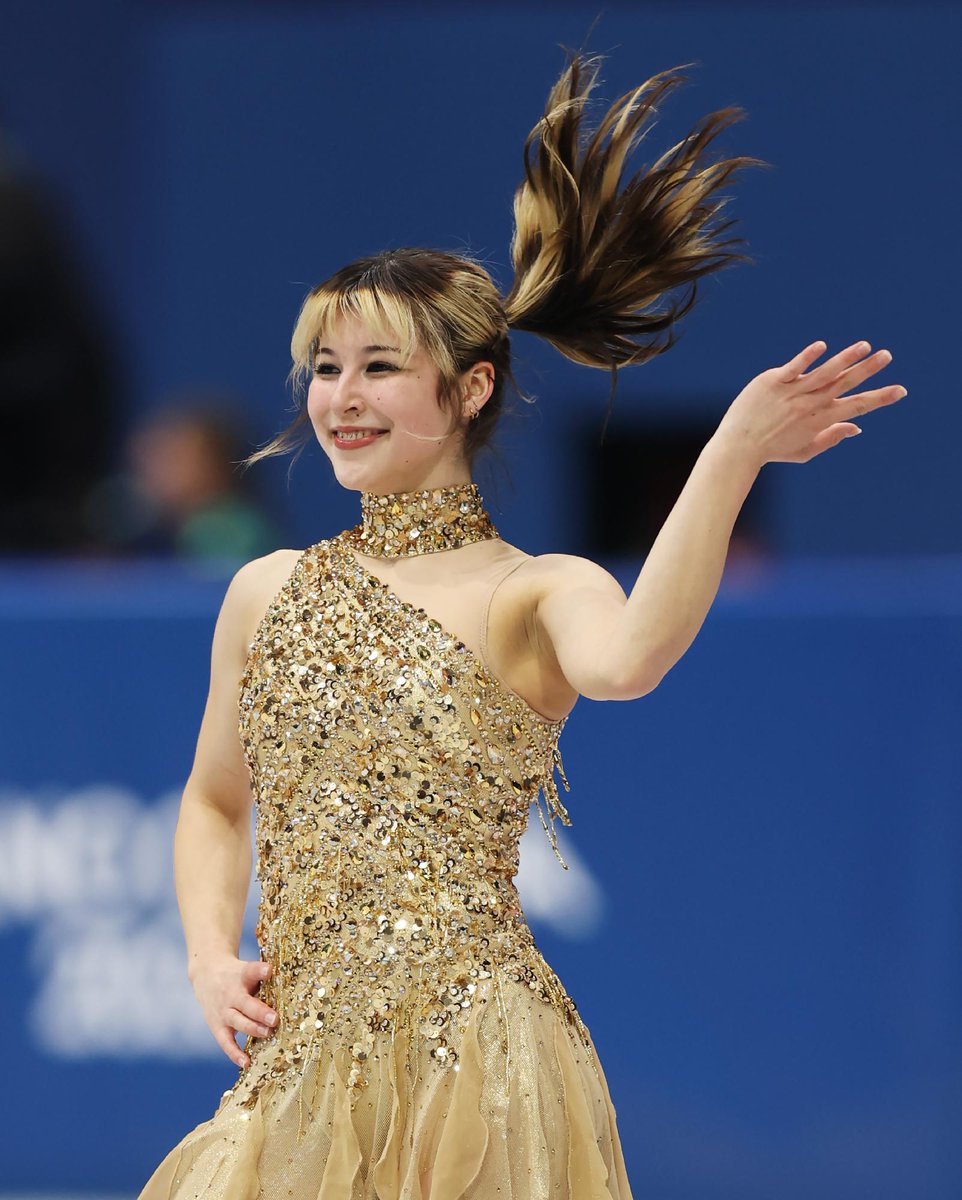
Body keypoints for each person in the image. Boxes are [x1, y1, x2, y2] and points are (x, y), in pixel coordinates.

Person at [137, 52, 904, 1199]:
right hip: (297, 1066)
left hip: (477, 1069)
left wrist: (730, 453)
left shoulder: (533, 591)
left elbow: (634, 656)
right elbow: (211, 797)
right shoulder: (267, 588)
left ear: (471, 388)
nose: (339, 397)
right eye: (324, 367)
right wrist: (206, 953)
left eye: (379, 367)